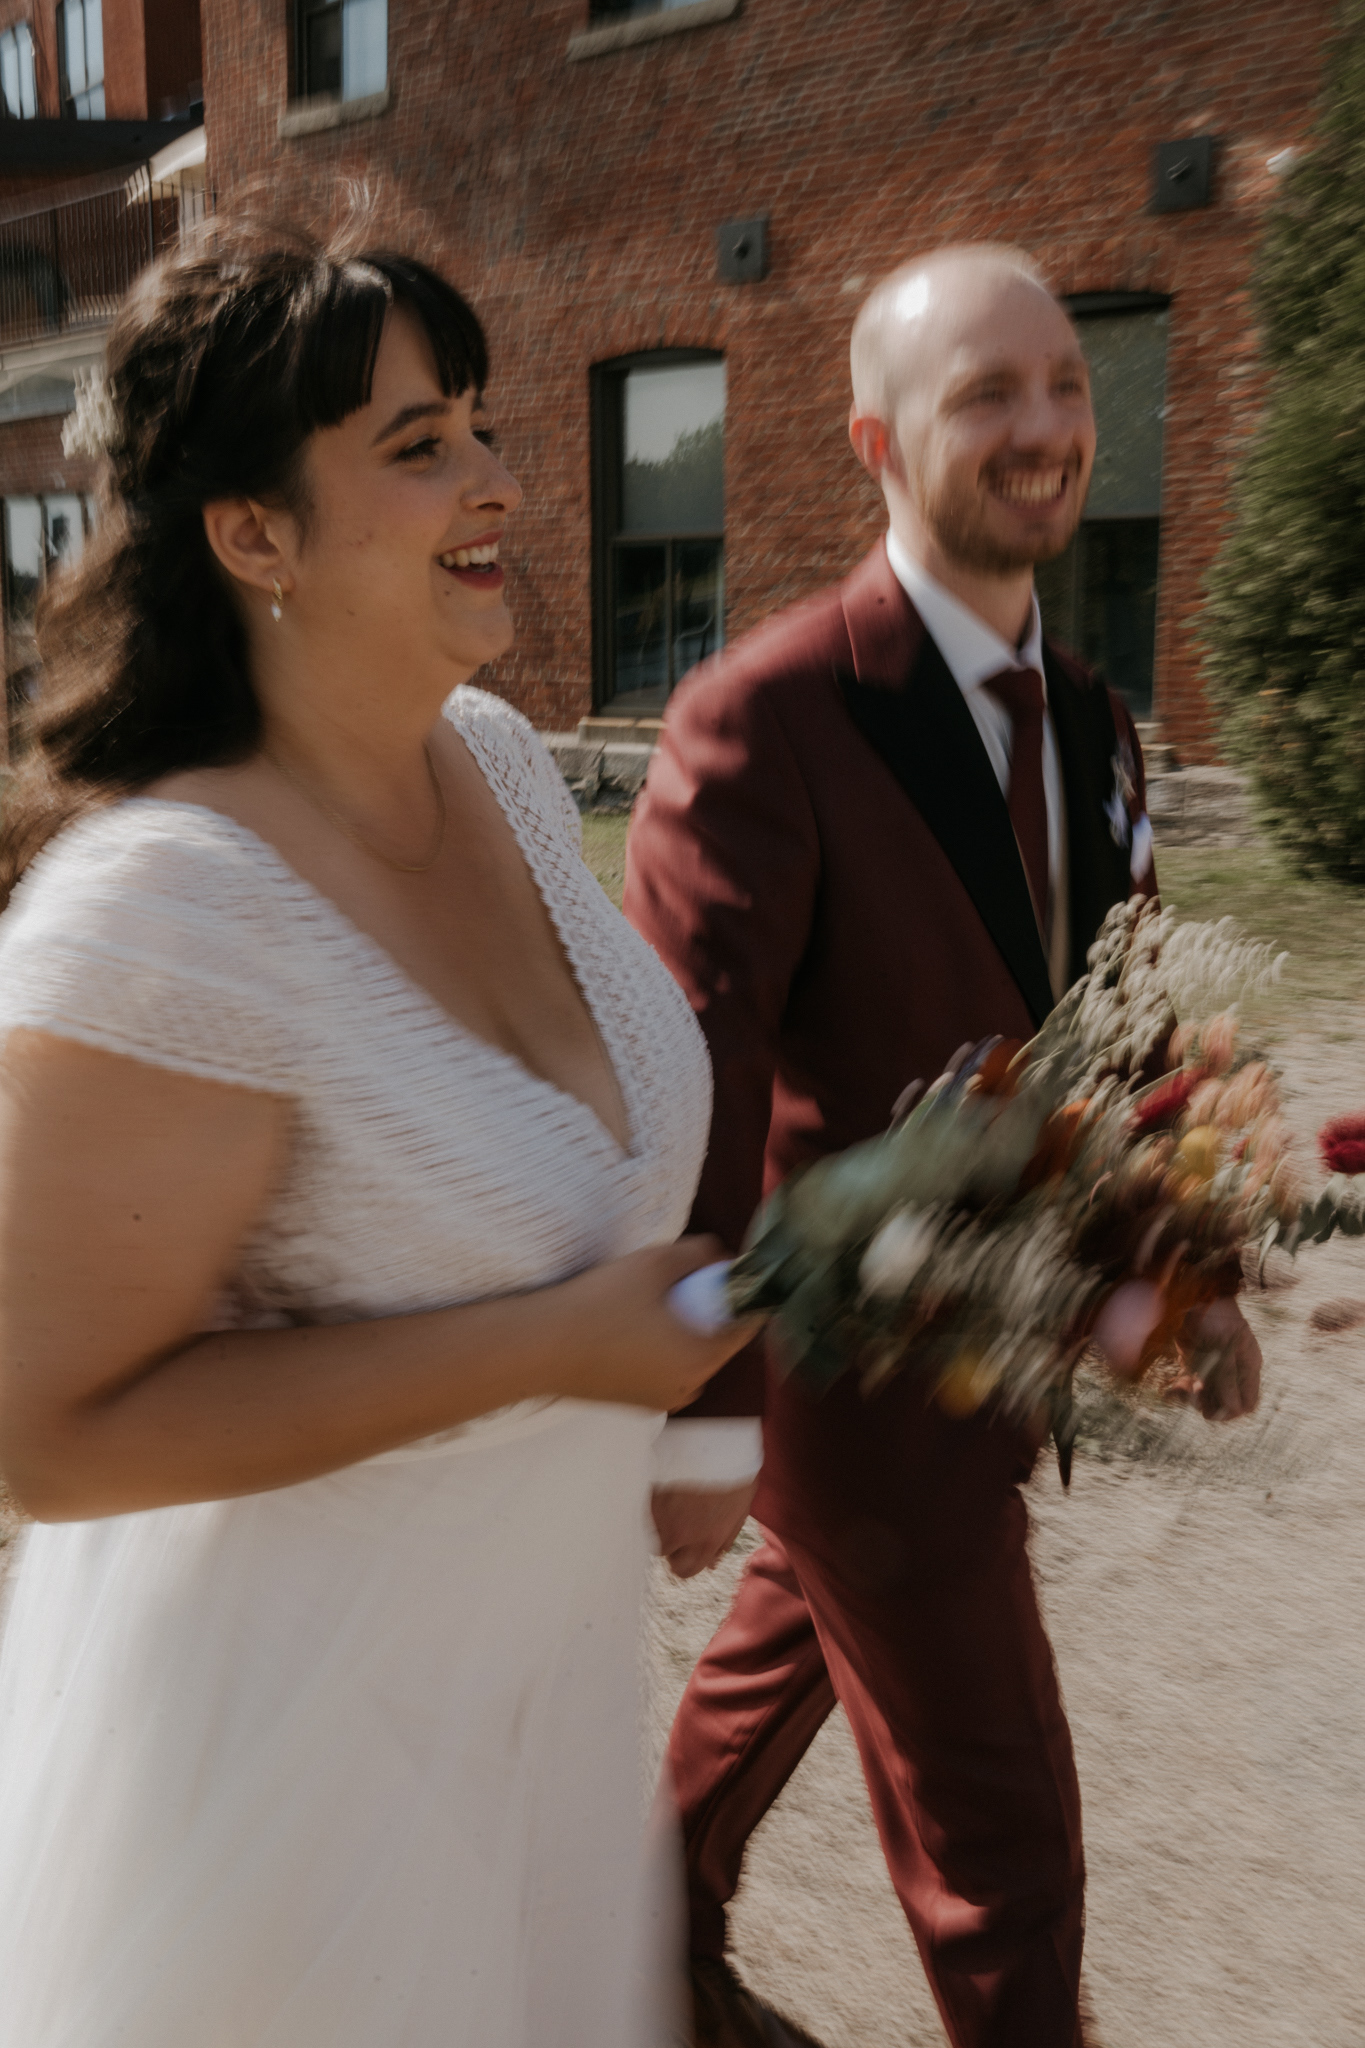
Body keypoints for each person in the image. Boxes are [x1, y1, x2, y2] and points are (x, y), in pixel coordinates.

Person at [0, 217, 758, 2048]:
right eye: (420, 446)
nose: (497, 480)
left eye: (481, 425)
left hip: (533, 1728)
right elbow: (44, 1438)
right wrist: (552, 1349)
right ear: (251, 536)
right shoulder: (167, 912)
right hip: (283, 1800)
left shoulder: (494, 762)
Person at [626, 246, 1263, 2048]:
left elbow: (1126, 1031)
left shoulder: (1096, 720)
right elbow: (693, 1086)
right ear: (877, 441)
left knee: (781, 1664)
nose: (1044, 425)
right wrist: (699, 1413)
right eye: (985, 394)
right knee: (1002, 1846)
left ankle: (628, 1944)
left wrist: (1185, 1277)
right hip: (848, 1383)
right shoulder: (766, 714)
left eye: (1063, 384)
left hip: (995, 1345)